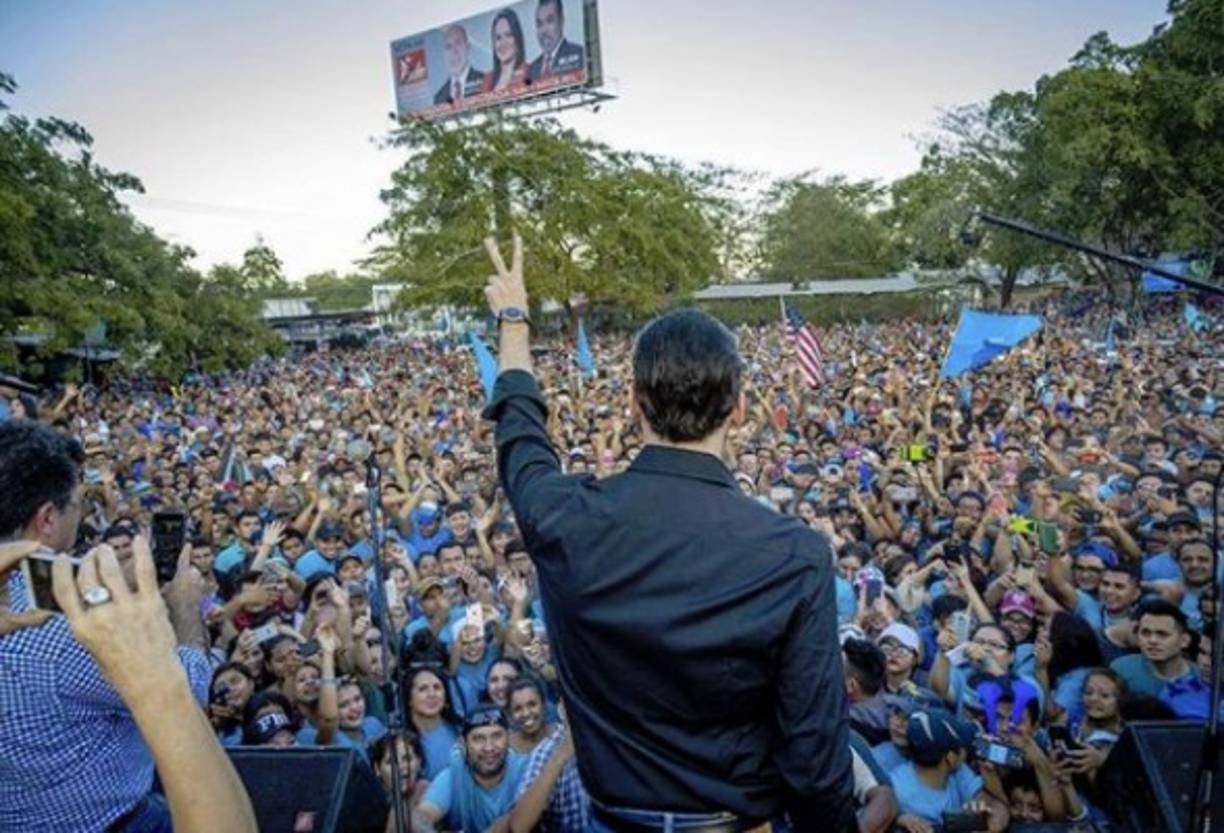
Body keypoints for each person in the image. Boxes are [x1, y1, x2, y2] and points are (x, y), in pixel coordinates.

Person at [481, 235, 855, 830]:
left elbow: (521, 441)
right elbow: (816, 760)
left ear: (634, 404)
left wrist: (514, 323)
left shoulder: (566, 518)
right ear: (739, 409)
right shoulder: (796, 555)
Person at [0, 420, 213, 833]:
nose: (81, 512)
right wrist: (184, 609)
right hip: (105, 821)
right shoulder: (58, 621)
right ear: (47, 518)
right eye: (77, 501)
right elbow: (188, 696)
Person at [47, 539, 258, 833]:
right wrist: (184, 608)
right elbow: (194, 693)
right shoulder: (60, 634)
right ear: (47, 519)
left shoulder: (15, 617)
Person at [418, 705, 527, 832]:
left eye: (497, 736)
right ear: (463, 744)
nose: (489, 747)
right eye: (478, 739)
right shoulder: (453, 777)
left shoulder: (525, 769)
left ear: (509, 738)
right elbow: (421, 818)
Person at [1109, 597, 1197, 697]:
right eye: (1146, 633)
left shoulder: (1201, 678)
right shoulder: (1121, 670)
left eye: (1162, 634)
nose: (1152, 640)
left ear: (1184, 640)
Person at [527, 0, 585, 82]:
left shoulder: (580, 55)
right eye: (539, 24)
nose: (544, 31)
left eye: (549, 21)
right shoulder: (532, 69)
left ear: (561, 21)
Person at [434, 24, 485, 106]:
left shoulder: (485, 81)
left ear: (468, 47)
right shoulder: (439, 97)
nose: (454, 52)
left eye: (458, 44)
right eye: (448, 47)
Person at [482, 8, 529, 93]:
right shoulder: (487, 80)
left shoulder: (529, 71)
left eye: (508, 35)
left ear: (517, 37)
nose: (503, 43)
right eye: (498, 38)